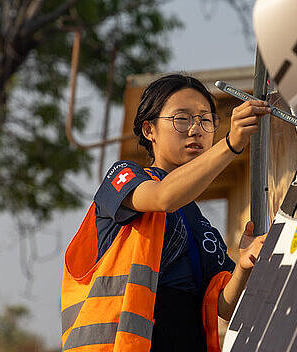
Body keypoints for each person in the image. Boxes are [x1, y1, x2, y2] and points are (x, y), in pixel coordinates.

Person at [61, 74, 271, 352]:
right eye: (181, 119)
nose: (196, 130)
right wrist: (231, 144)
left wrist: (243, 266)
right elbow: (163, 197)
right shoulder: (123, 177)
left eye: (206, 120)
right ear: (149, 130)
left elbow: (223, 308)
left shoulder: (202, 227)